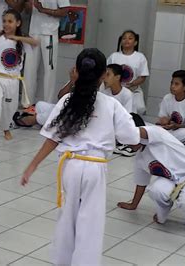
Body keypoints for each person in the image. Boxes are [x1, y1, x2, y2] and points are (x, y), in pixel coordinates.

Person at [20, 48, 140, 265]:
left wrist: (32, 167)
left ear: (75, 71)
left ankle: (62, 261)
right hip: (95, 167)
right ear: (104, 75)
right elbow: (131, 138)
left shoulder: (67, 100)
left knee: (67, 219)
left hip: (71, 166)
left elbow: (52, 138)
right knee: (90, 223)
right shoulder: (112, 105)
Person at [118, 125, 185, 230]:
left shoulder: (156, 134)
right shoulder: (140, 159)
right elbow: (141, 183)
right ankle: (164, 209)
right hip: (170, 179)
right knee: (155, 191)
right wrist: (133, 205)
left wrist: (121, 125)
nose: (127, 144)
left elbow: (139, 131)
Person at [0, 9, 37, 140]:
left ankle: (6, 128)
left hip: (13, 80)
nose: (6, 24)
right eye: (4, 21)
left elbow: (36, 42)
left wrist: (17, 37)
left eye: (10, 21)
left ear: (18, 23)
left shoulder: (22, 41)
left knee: (9, 107)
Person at [23, 0, 70, 104]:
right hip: (34, 32)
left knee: (49, 71)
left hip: (49, 33)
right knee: (29, 69)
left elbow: (64, 11)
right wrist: (29, 4)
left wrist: (43, 10)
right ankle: (27, 103)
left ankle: (47, 103)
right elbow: (27, 10)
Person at [13, 66, 77, 127]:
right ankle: (47, 123)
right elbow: (60, 97)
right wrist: (71, 81)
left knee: (49, 115)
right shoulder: (75, 79)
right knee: (40, 105)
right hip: (65, 109)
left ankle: (30, 120)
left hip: (74, 115)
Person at [107, 30, 149, 115]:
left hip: (133, 90)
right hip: (115, 91)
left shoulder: (140, 57)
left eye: (130, 38)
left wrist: (132, 84)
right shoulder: (114, 56)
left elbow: (143, 76)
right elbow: (107, 73)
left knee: (138, 110)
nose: (126, 40)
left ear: (135, 42)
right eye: (124, 38)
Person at [156, 70, 185, 144]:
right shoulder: (167, 97)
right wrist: (165, 121)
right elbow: (161, 119)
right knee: (155, 128)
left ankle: (163, 141)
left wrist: (176, 126)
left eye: (176, 84)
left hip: (181, 132)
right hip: (168, 130)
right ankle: (165, 141)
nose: (172, 86)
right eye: (172, 83)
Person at [102, 64, 134, 156]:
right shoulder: (104, 92)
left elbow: (127, 117)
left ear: (117, 77)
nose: (104, 78)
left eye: (108, 75)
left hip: (120, 125)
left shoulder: (127, 94)